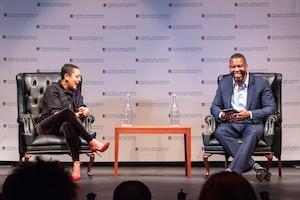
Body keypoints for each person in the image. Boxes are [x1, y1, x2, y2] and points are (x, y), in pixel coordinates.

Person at [35, 63, 109, 181]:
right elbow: (56, 114)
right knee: (67, 113)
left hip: (62, 127)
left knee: (67, 124)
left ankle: (76, 164)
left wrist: (85, 110)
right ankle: (92, 141)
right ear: (67, 76)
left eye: (80, 77)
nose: (79, 80)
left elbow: (81, 106)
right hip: (46, 126)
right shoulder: (52, 90)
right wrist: (74, 114)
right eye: (77, 76)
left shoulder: (75, 91)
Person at [210, 53, 277, 182]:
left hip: (252, 123)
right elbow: (214, 107)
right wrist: (223, 114)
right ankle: (254, 165)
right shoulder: (224, 83)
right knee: (220, 131)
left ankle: (232, 172)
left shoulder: (260, 83)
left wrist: (249, 114)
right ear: (229, 68)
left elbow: (271, 108)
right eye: (233, 66)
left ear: (246, 66)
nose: (236, 70)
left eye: (239, 66)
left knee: (253, 133)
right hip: (231, 123)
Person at [0, 158, 77, 200]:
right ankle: (77, 161)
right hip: (46, 129)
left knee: (68, 128)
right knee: (68, 128)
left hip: (62, 132)